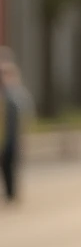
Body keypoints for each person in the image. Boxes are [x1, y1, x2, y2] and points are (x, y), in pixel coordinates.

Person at [0, 47, 30, 203]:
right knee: (4, 165)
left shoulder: (15, 92)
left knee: (10, 164)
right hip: (3, 137)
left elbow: (24, 114)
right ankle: (9, 192)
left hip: (12, 136)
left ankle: (12, 193)